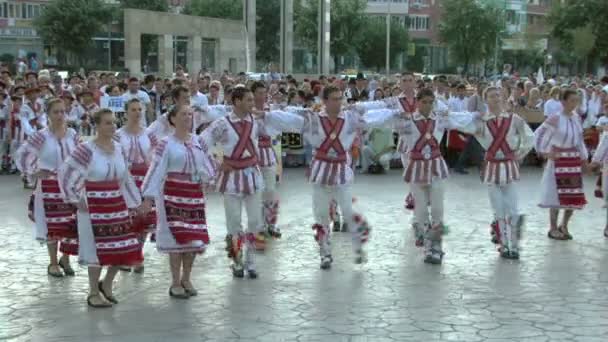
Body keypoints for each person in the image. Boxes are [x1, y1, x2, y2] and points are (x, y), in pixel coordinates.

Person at [59, 108, 144, 308]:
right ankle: (93, 292)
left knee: (123, 248)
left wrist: (134, 203)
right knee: (94, 249)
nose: (112, 126)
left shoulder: (119, 147)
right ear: (97, 125)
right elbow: (65, 172)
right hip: (92, 205)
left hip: (116, 204)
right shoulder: (86, 149)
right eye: (107, 122)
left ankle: (106, 284)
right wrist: (73, 198)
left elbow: (125, 177)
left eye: (113, 122)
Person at [393, 88, 478, 264]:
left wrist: (479, 116)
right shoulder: (406, 120)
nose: (427, 105)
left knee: (438, 208)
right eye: (423, 102)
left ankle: (436, 245)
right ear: (417, 102)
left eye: (430, 102)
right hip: (417, 167)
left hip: (436, 166)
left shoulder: (440, 118)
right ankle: (426, 243)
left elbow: (461, 119)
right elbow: (384, 120)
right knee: (422, 209)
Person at [140, 104, 215, 298]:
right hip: (171, 195)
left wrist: (210, 178)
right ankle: (175, 282)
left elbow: (208, 163)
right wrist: (148, 197)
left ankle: (187, 278)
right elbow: (156, 169)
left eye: (190, 114)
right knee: (175, 238)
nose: (187, 118)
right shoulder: (166, 143)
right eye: (183, 114)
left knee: (192, 237)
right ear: (173, 119)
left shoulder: (198, 141)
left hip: (193, 195)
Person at [457, 87, 534, 259]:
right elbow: (461, 124)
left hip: (508, 165)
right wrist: (447, 115)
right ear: (486, 100)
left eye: (498, 95)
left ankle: (514, 245)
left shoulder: (514, 119)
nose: (496, 98)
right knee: (498, 208)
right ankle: (504, 244)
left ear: (503, 97)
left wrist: (520, 153)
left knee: (512, 208)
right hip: (492, 167)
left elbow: (529, 137)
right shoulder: (481, 122)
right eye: (491, 96)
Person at [200, 86, 268, 278]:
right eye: (248, 100)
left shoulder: (256, 121)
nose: (252, 104)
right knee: (234, 221)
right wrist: (218, 161)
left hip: (252, 175)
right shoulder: (222, 123)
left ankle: (251, 260)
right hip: (231, 179)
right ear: (237, 101)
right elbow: (203, 142)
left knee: (255, 220)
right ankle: (237, 260)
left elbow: (274, 129)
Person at [15, 98, 80, 277]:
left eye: (62, 111)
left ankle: (66, 258)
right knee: (52, 225)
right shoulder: (41, 135)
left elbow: (82, 155)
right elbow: (22, 153)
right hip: (50, 186)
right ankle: (52, 263)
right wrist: (34, 171)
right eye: (55, 112)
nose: (60, 115)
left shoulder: (72, 133)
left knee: (71, 224)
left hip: (71, 185)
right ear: (48, 114)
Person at [534, 89, 588, 240]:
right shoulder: (555, 118)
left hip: (573, 160)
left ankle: (564, 225)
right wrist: (545, 152)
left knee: (573, 195)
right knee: (555, 194)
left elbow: (579, 140)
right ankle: (552, 228)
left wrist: (584, 159)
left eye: (576, 101)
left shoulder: (576, 118)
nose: (574, 104)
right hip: (558, 160)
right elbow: (539, 134)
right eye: (571, 100)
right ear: (563, 101)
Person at [114, 99, 159, 273]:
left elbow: (156, 157)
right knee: (126, 218)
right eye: (133, 109)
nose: (137, 112)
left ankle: (137, 254)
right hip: (126, 181)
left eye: (139, 109)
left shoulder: (149, 134)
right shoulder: (118, 134)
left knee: (144, 219)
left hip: (145, 180)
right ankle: (127, 254)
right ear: (126, 113)